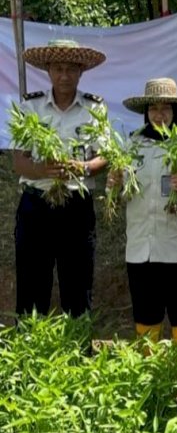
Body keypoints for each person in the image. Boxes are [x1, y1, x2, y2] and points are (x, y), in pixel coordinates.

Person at [13, 40, 108, 325]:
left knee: (78, 286)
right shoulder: (30, 106)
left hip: (76, 207)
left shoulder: (94, 108)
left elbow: (104, 157)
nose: (64, 75)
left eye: (70, 69)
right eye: (58, 69)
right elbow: (19, 161)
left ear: (80, 73)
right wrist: (44, 170)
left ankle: (78, 356)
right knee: (32, 284)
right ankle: (29, 355)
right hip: (36, 205)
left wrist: (83, 168)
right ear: (48, 71)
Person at [109, 78, 177, 348]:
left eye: (166, 109)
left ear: (176, 112)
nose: (159, 115)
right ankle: (147, 377)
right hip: (143, 247)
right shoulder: (133, 146)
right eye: (153, 108)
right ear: (146, 112)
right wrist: (116, 185)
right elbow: (125, 193)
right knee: (146, 314)